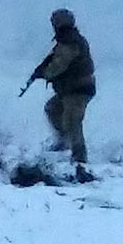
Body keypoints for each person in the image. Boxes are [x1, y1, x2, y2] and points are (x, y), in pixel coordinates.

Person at [29, 8, 95, 165]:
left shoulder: (70, 41)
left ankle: (79, 157)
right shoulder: (66, 40)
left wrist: (45, 73)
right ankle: (64, 141)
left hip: (78, 89)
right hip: (70, 89)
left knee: (72, 121)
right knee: (52, 109)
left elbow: (60, 64)